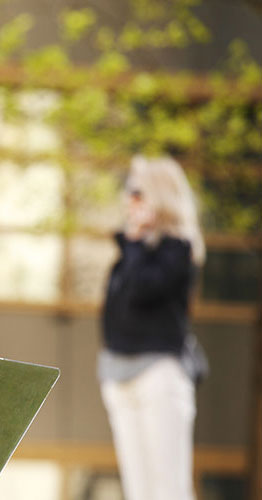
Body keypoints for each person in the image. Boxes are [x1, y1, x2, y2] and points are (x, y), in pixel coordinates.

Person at [98, 155, 206, 500]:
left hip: (158, 374)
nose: (129, 200)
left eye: (137, 192)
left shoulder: (177, 249)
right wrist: (132, 243)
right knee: (137, 488)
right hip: (118, 374)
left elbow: (145, 290)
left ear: (159, 196)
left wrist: (134, 243)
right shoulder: (131, 251)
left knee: (167, 488)